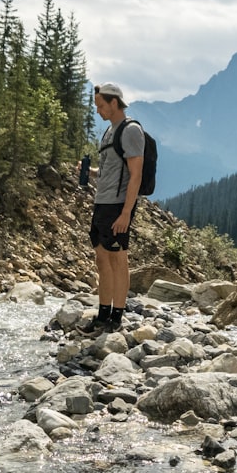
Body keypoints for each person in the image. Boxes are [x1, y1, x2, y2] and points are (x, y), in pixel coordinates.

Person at [80, 82, 144, 334]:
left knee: (118, 259)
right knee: (102, 258)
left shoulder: (131, 130)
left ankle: (116, 318)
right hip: (102, 203)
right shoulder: (110, 131)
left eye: (101, 106)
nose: (98, 111)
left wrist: (126, 212)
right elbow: (110, 170)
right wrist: (91, 172)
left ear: (114, 103)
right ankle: (103, 313)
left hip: (117, 205)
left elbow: (135, 175)